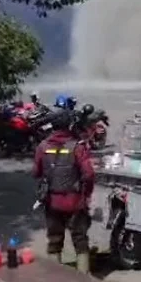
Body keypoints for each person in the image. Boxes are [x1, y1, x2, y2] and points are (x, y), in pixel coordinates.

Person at [32, 110, 97, 273]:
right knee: (80, 240)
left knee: (54, 240)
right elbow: (89, 174)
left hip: (52, 202)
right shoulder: (78, 147)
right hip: (75, 202)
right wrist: (86, 195)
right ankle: (83, 280)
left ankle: (56, 281)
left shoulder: (43, 146)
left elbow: (36, 172)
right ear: (70, 125)